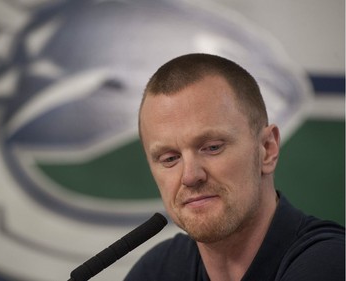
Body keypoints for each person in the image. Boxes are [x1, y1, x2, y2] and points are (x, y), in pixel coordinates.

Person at [124, 53, 345, 281]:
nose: (190, 176)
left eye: (212, 147)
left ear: (267, 149)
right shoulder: (158, 270)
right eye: (170, 158)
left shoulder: (330, 263)